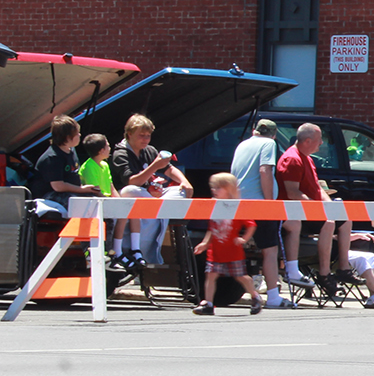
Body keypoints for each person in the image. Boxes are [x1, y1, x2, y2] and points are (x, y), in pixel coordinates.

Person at [111, 114, 192, 269]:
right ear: (129, 134)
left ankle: (158, 206)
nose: (145, 140)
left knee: (179, 191)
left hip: (151, 196)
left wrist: (185, 182)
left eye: (148, 136)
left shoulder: (149, 150)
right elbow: (132, 182)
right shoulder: (120, 153)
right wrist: (154, 166)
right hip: (132, 197)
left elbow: (168, 168)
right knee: (129, 191)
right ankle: (158, 207)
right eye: (141, 136)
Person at [277, 123, 351, 289]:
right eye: (319, 140)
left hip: (310, 210)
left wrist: (329, 206)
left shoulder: (308, 158)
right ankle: (324, 274)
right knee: (328, 222)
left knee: (345, 219)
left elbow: (317, 187)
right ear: (308, 141)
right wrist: (315, 208)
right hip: (296, 213)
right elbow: (292, 193)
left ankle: (343, 268)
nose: (322, 143)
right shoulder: (292, 159)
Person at [230, 119, 292, 308]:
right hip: (258, 204)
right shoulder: (269, 144)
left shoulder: (242, 144)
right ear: (274, 134)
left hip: (239, 203)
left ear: (254, 130)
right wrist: (269, 203)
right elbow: (265, 170)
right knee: (270, 250)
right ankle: (273, 297)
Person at [190, 173, 263, 316]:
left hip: (232, 251)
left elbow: (251, 225)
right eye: (213, 187)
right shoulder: (214, 207)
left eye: (218, 188)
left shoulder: (236, 207)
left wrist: (244, 239)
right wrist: (205, 243)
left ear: (228, 189)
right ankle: (209, 303)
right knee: (211, 275)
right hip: (215, 251)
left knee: (241, 276)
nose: (214, 190)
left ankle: (254, 296)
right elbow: (212, 228)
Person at [28, 116, 100, 217]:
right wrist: (82, 189)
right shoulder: (52, 157)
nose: (79, 135)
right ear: (67, 137)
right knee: (82, 206)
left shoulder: (71, 150)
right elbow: (58, 186)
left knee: (99, 203)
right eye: (76, 133)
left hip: (71, 192)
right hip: (50, 196)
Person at [77, 133, 114, 203]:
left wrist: (119, 201)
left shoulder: (105, 164)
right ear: (102, 151)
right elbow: (96, 191)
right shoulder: (89, 167)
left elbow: (111, 187)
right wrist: (110, 202)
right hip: (97, 201)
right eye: (108, 146)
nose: (110, 148)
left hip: (108, 199)